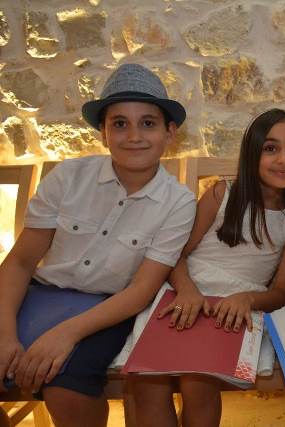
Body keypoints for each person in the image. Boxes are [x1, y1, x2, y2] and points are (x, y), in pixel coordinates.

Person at [0, 63, 196, 427]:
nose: (134, 136)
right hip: (41, 294)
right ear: (103, 133)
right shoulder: (68, 177)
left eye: (148, 123)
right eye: (119, 123)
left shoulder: (178, 202)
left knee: (67, 390)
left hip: (111, 306)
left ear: (169, 132)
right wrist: (5, 334)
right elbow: (20, 262)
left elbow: (141, 291)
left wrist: (64, 334)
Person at [120, 109, 285, 427]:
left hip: (236, 308)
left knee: (198, 382)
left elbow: (280, 293)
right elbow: (174, 254)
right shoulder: (222, 195)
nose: (283, 159)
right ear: (252, 153)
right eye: (271, 148)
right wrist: (187, 290)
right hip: (183, 293)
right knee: (149, 381)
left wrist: (247, 299)